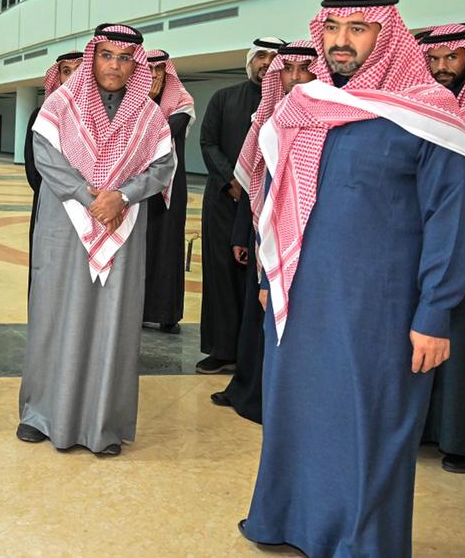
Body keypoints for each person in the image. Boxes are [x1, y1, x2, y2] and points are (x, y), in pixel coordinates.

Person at [240, 0, 465, 556]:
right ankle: (287, 521)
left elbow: (448, 218)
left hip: (379, 308)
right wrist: (268, 278)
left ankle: (362, 542)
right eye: (333, 28)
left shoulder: (428, 113)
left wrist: (435, 313)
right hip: (298, 299)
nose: (340, 41)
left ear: (386, 35)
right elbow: (275, 196)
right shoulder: (304, 104)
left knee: (371, 425)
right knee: (297, 416)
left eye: (357, 28)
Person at [18, 24, 177, 456]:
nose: (114, 66)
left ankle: (102, 424)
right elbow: (45, 156)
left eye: (124, 59)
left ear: (135, 65)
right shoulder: (60, 104)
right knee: (53, 314)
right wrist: (88, 197)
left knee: (113, 321)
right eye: (107, 55)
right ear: (93, 58)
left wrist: (122, 196)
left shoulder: (149, 116)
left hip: (120, 224)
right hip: (64, 223)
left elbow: (163, 167)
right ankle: (39, 414)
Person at [210, 40, 317, 421]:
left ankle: (282, 399)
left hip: (306, 235)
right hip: (263, 231)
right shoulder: (268, 118)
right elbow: (255, 181)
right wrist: (243, 234)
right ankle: (248, 389)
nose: (295, 78)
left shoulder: (329, 116)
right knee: (256, 317)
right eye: (288, 70)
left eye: (305, 69)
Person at [417, 23, 465, 474]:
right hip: (426, 237)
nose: (442, 67)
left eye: (451, 58)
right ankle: (425, 429)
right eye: (434, 59)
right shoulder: (420, 106)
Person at [196, 37, 282, 373]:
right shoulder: (224, 97)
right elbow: (208, 142)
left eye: (273, 57)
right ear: (250, 61)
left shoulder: (289, 103)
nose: (266, 62)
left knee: (259, 278)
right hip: (223, 199)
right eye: (261, 56)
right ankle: (222, 349)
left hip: (270, 204)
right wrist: (233, 181)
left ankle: (256, 353)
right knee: (221, 274)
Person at [141, 50, 194, 334]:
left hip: (170, 188)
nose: (153, 75)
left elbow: (161, 134)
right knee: (139, 247)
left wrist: (147, 105)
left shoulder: (182, 102)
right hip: (139, 186)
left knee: (168, 246)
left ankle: (166, 314)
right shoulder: (133, 101)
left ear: (166, 72)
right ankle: (136, 309)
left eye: (159, 70)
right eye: (148, 70)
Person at [24, 52, 83, 286]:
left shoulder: (101, 115)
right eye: (66, 71)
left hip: (90, 207)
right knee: (47, 270)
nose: (73, 77)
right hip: (51, 202)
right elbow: (33, 168)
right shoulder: (41, 115)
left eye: (79, 70)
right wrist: (59, 193)